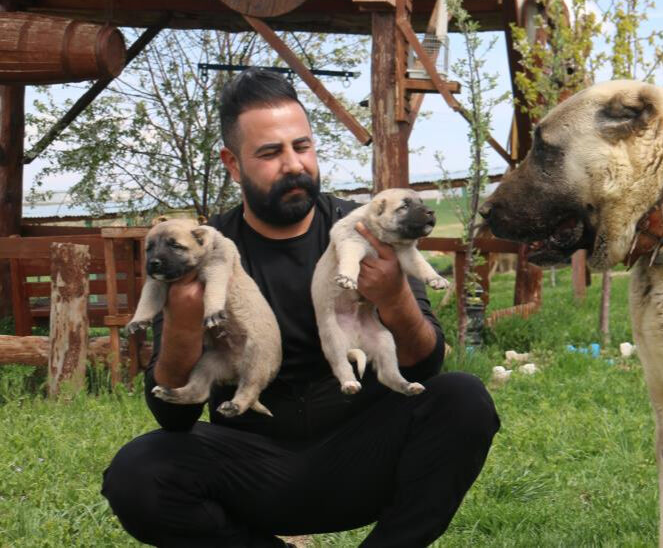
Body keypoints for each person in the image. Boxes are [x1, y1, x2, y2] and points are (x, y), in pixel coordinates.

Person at [102, 68, 500, 547]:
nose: (293, 164)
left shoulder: (363, 230)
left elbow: (427, 365)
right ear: (233, 163)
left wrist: (394, 298)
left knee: (463, 399)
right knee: (137, 473)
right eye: (270, 152)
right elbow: (174, 418)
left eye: (302, 146)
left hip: (363, 453)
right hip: (253, 463)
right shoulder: (204, 249)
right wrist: (185, 328)